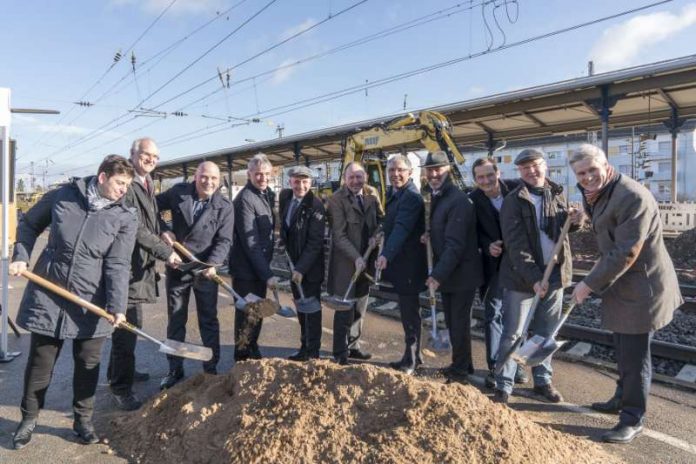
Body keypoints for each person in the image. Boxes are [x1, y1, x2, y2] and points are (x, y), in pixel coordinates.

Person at [10, 155, 138, 449]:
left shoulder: (124, 217)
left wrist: (117, 306)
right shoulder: (63, 196)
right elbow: (29, 224)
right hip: (49, 292)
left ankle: (83, 421)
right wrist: (21, 256)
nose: (123, 190)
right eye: (120, 183)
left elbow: (118, 264)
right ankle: (28, 419)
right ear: (103, 177)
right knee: (40, 362)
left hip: (91, 301)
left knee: (87, 365)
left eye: (127, 185)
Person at [569, 144, 682, 444]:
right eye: (581, 173)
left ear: (606, 165)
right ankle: (622, 397)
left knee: (634, 357)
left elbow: (625, 252)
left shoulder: (631, 196)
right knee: (620, 345)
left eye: (593, 169)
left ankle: (633, 418)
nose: (587, 177)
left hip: (642, 287)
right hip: (622, 284)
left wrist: (588, 283)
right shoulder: (596, 193)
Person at [495, 148, 580, 404]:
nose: (532, 171)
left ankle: (542, 381)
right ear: (519, 172)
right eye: (525, 168)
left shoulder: (558, 194)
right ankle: (504, 384)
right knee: (514, 333)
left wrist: (576, 220)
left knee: (546, 333)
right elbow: (516, 245)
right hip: (522, 278)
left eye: (535, 165)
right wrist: (534, 277)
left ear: (545, 166)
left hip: (554, 277)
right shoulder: (513, 200)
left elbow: (564, 230)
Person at [107, 138, 182, 410]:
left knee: (130, 326)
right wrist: (165, 251)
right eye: (146, 154)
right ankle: (120, 387)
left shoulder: (147, 183)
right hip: (126, 267)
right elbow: (136, 228)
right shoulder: (128, 185)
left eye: (155, 156)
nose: (151, 159)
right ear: (133, 154)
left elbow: (150, 219)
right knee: (126, 328)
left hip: (138, 266)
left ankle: (120, 372)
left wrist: (163, 227)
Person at [157, 161, 234, 388]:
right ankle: (174, 369)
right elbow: (150, 207)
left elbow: (225, 240)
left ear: (219, 181)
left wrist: (213, 264)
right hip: (178, 267)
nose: (208, 182)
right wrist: (163, 229)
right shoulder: (178, 193)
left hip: (204, 270)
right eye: (204, 177)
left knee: (208, 320)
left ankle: (210, 368)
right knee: (176, 319)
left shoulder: (224, 206)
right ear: (195, 176)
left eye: (213, 178)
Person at [421, 151, 483, 383]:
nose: (434, 174)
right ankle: (463, 364)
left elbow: (456, 244)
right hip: (452, 274)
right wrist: (430, 235)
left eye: (438, 169)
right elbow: (445, 232)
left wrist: (437, 275)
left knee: (458, 323)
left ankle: (459, 373)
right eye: (430, 170)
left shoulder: (455, 199)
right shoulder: (440, 195)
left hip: (460, 274)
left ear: (448, 171)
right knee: (455, 322)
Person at [469, 157, 527, 388]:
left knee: (517, 317)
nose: (486, 181)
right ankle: (496, 366)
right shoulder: (473, 200)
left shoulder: (517, 188)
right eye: (480, 177)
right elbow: (473, 232)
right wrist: (486, 245)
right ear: (475, 180)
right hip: (493, 266)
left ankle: (517, 364)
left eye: (489, 175)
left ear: (498, 173)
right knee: (493, 314)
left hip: (520, 264)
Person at [375, 155, 427, 375]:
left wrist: (385, 254)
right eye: (391, 170)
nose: (395, 174)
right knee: (408, 312)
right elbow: (391, 224)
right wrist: (379, 232)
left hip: (410, 266)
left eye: (399, 170)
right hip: (404, 265)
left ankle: (412, 360)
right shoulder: (398, 194)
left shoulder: (411, 197)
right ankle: (413, 355)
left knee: (410, 313)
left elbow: (402, 229)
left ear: (409, 172)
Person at [327, 162, 382, 364]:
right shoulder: (336, 199)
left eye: (359, 176)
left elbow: (381, 221)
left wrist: (377, 236)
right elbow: (339, 236)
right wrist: (356, 257)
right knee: (344, 309)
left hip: (367, 261)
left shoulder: (372, 195)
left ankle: (354, 346)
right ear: (344, 178)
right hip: (346, 263)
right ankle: (340, 354)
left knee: (360, 306)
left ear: (365, 176)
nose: (355, 181)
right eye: (351, 177)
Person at [230, 153, 278, 361]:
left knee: (257, 312)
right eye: (258, 174)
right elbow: (251, 244)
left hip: (258, 269)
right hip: (246, 272)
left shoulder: (265, 194)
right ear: (249, 174)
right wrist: (267, 275)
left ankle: (253, 348)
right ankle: (241, 357)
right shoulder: (245, 200)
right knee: (246, 316)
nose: (262, 178)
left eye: (266, 174)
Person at [279, 165, 326, 361]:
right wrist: (283, 241)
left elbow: (315, 243)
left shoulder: (316, 205)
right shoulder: (286, 198)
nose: (300, 185)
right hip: (293, 266)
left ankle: (313, 352)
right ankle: (303, 346)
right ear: (290, 181)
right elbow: (286, 227)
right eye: (297, 181)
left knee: (312, 311)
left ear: (311, 183)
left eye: (305, 181)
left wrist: (301, 269)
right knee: (300, 308)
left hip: (309, 269)